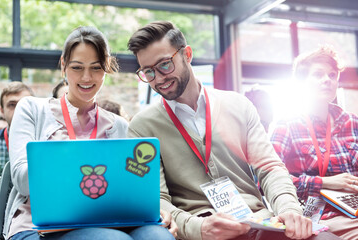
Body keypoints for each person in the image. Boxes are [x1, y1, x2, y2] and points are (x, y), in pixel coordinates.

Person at [127, 21, 340, 240]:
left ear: (187, 54)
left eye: (164, 65)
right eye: (148, 72)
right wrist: (197, 228)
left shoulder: (238, 105)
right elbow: (156, 199)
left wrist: (289, 210)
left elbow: (269, 167)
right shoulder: (142, 127)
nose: (159, 79)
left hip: (258, 222)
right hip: (200, 229)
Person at [3, 26, 177, 240]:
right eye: (77, 67)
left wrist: (149, 208)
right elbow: (22, 180)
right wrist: (74, 157)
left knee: (158, 236)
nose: (86, 77)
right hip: (37, 226)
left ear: (106, 69)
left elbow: (129, 187)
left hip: (107, 219)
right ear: (63, 66)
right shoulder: (31, 109)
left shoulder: (119, 126)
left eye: (96, 68)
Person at [270, 45, 358, 239]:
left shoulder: (352, 122)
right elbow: (269, 181)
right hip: (323, 217)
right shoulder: (287, 125)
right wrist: (325, 183)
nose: (327, 80)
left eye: (332, 75)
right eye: (318, 75)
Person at [0, 82, 34, 176]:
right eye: (12, 105)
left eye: (24, 104)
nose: (19, 110)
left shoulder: (44, 142)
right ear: (2, 111)